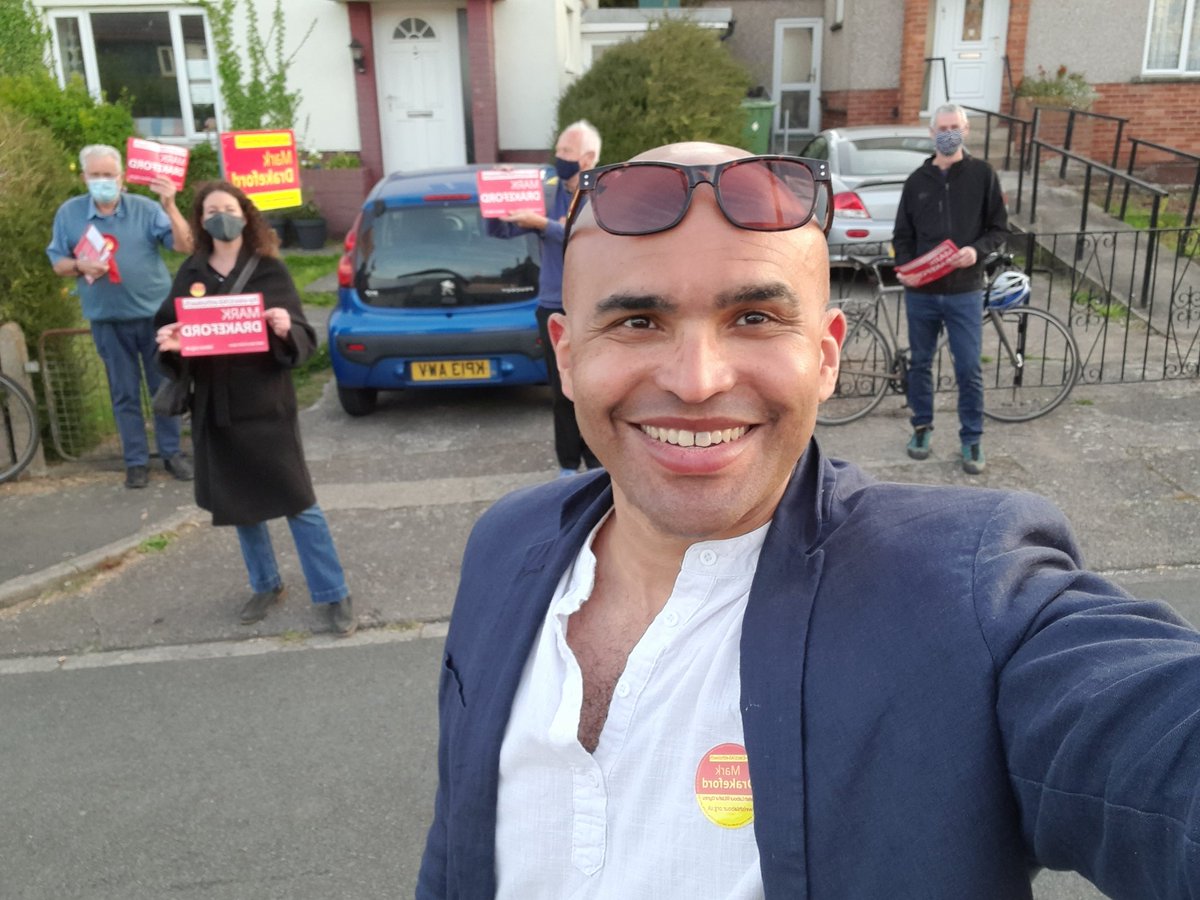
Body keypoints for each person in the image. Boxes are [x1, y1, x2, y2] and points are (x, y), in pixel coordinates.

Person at [417, 142, 1200, 898]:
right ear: (565, 353)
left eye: (754, 318)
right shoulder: (505, 543)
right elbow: (456, 851)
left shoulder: (967, 595)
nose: (697, 381)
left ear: (826, 357)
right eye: (638, 322)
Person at [153, 181, 355, 636]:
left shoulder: (270, 271)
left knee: (299, 502)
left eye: (228, 208)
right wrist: (170, 343)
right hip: (215, 405)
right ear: (201, 221)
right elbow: (172, 331)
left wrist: (286, 328)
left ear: (245, 215)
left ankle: (333, 591)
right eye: (210, 210)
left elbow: (304, 338)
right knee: (240, 503)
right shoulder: (191, 272)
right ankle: (265, 583)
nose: (220, 216)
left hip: (265, 404)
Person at [47, 144, 196, 488]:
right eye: (95, 175)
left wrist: (170, 206)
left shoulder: (145, 209)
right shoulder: (69, 214)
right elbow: (58, 262)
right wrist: (79, 265)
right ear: (84, 177)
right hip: (108, 319)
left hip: (155, 317)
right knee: (124, 392)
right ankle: (136, 461)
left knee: (165, 386)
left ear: (122, 177)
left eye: (109, 175)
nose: (102, 181)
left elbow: (185, 245)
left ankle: (172, 453)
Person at [892, 102, 1009, 475]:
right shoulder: (916, 181)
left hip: (964, 290)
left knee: (969, 367)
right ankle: (922, 428)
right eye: (941, 127)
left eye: (954, 126)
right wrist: (905, 269)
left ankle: (971, 438)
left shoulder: (982, 175)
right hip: (922, 293)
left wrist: (977, 252)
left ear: (966, 129)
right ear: (931, 133)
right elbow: (903, 235)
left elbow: (999, 229)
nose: (948, 133)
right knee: (921, 363)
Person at [487, 120, 602, 477]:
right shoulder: (547, 190)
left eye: (566, 152)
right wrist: (498, 194)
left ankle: (598, 461)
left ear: (588, 158)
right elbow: (502, 229)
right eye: (558, 150)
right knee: (562, 389)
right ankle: (568, 466)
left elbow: (587, 235)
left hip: (593, 304)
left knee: (595, 387)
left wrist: (543, 225)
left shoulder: (601, 191)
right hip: (552, 305)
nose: (558, 157)